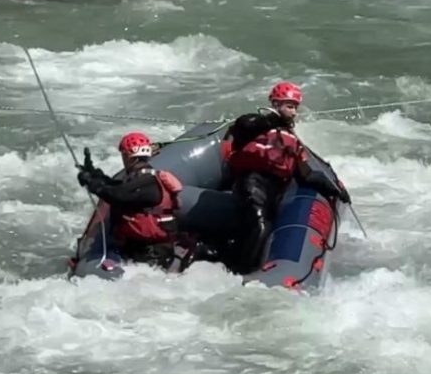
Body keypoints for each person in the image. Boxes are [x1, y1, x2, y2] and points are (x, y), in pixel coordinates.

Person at [222, 81, 351, 273]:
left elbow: (306, 175)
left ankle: (242, 263)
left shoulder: (292, 141)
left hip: (272, 191)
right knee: (260, 226)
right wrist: (269, 121)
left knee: (264, 227)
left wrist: (335, 189)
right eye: (289, 106)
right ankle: (241, 271)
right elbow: (242, 125)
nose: (294, 113)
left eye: (295, 108)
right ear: (275, 105)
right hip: (252, 183)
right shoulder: (258, 126)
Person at [76, 131, 197, 271]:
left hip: (152, 254)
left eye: (123, 155)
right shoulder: (140, 179)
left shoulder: (148, 183)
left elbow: (119, 196)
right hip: (138, 248)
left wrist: (92, 184)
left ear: (128, 156)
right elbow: (117, 187)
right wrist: (94, 174)